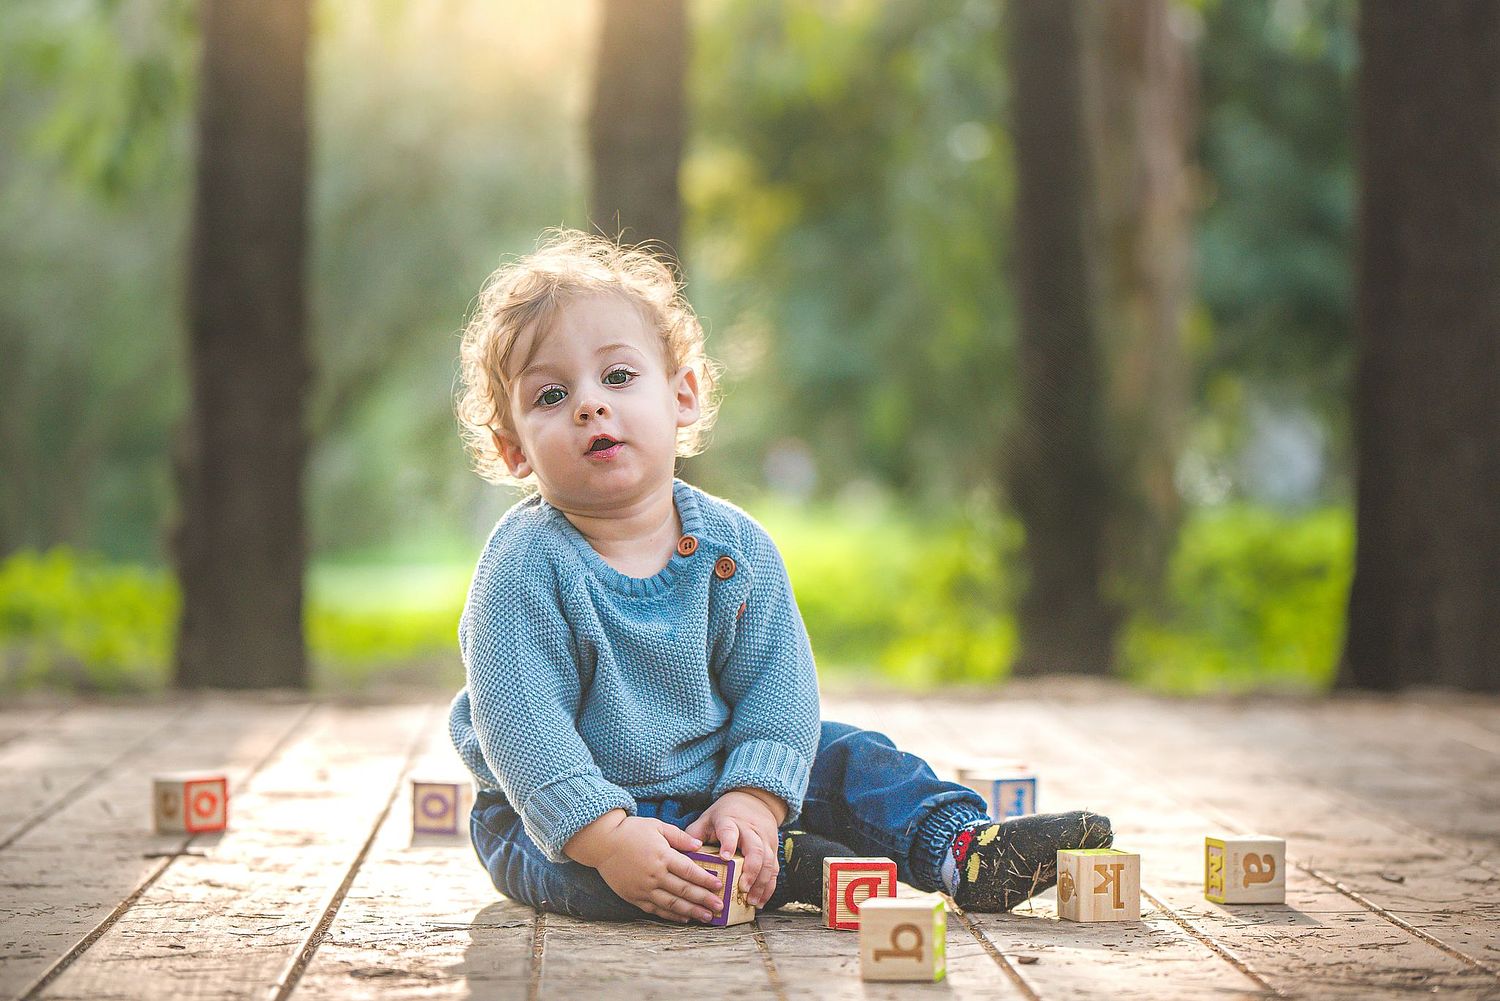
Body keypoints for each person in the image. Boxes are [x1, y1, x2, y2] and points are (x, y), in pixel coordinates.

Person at [448, 229, 1112, 924]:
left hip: (718, 771)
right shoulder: (523, 567)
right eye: (551, 395)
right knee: (606, 877)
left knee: (848, 753)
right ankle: (788, 862)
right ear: (513, 448)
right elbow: (523, 725)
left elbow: (779, 687)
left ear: (684, 395)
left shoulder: (736, 549)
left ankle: (960, 848)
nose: (590, 404)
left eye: (617, 377)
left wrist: (754, 797)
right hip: (557, 808)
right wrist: (606, 837)